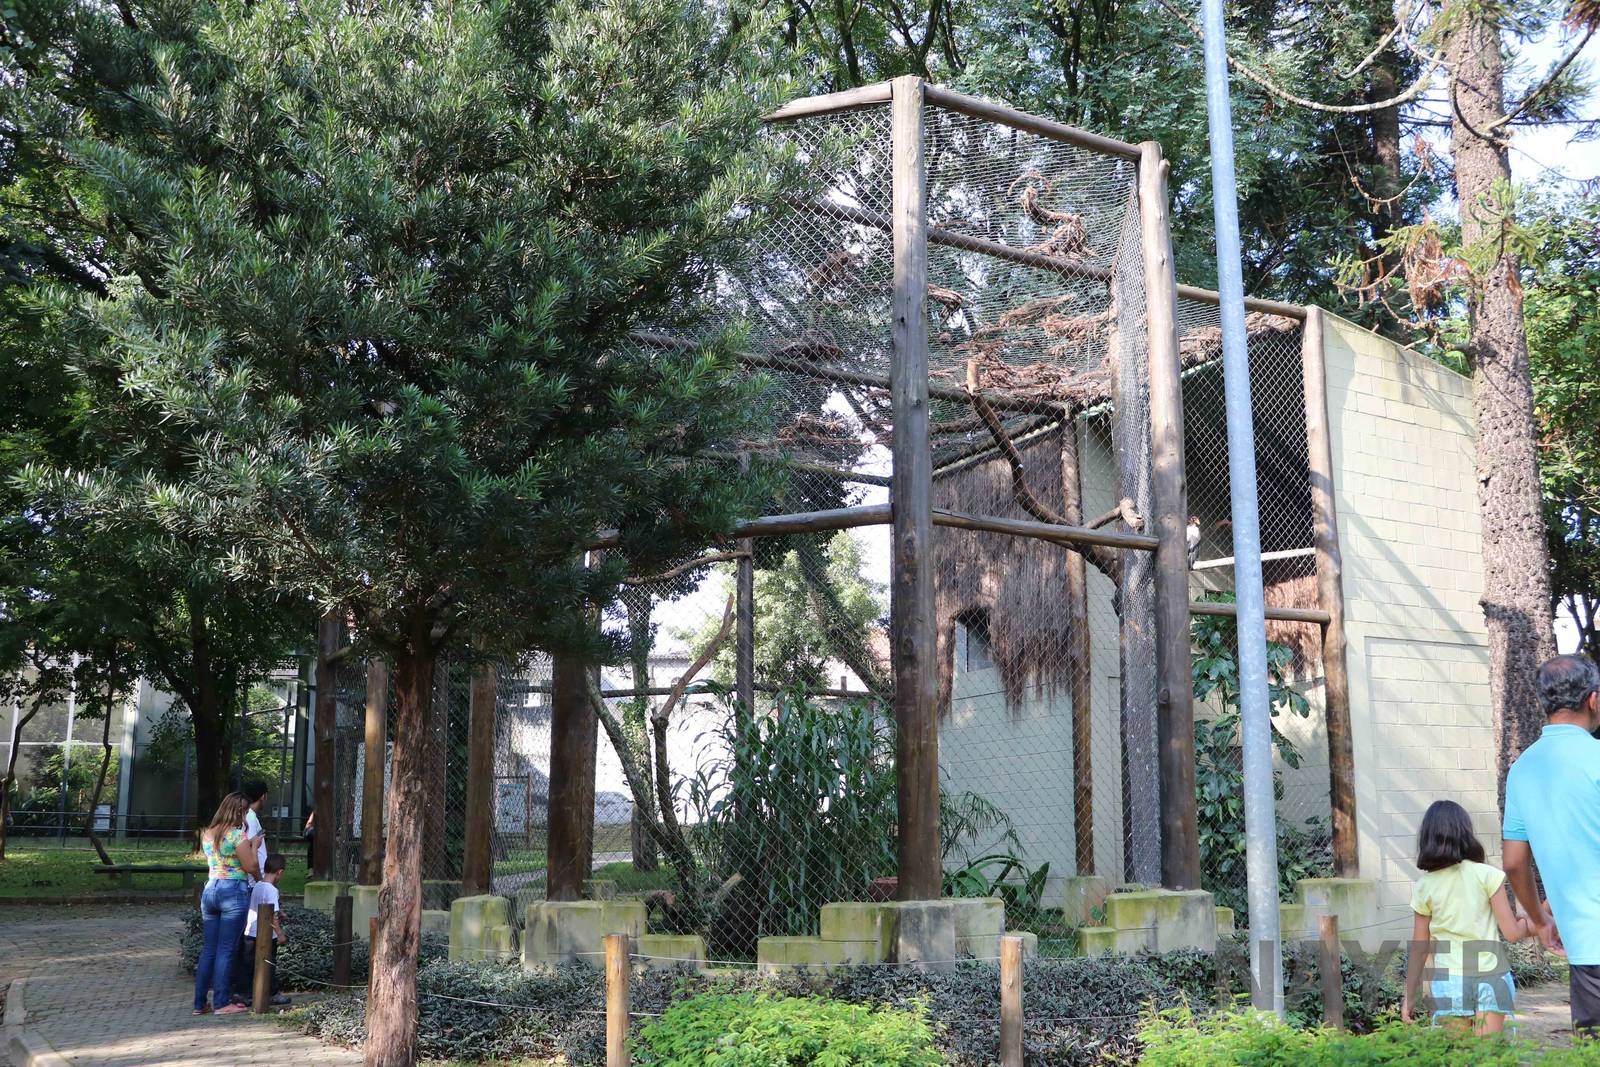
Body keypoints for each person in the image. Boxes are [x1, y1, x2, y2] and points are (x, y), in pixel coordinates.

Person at [1503, 653, 1600, 1033]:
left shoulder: (1522, 770)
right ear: (1593, 699)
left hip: (1586, 953)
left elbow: (1513, 863)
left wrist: (1541, 919)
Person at [1401, 799, 1531, 1032]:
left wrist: (1408, 998)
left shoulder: (1424, 887)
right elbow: (1512, 934)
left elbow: (1420, 950)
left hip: (1450, 982)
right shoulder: (1487, 875)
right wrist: (1527, 923)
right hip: (1492, 977)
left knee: (1459, 1057)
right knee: (1489, 1058)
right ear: (1466, 834)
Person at [193, 793, 261, 1016]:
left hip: (210, 889)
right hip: (232, 891)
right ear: (238, 812)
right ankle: (221, 1002)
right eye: (243, 812)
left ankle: (200, 1003)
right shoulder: (236, 835)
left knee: (209, 949)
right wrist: (254, 845)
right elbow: (250, 866)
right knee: (226, 949)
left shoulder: (208, 833)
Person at [231, 854, 290, 1008]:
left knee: (247, 964)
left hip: (250, 931)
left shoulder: (258, 885)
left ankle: (243, 993)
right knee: (270, 963)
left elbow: (264, 906)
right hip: (266, 935)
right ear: (280, 873)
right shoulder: (272, 890)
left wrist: (280, 911)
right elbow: (273, 916)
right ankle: (271, 993)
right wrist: (280, 934)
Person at [241, 780, 270, 881]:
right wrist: (259, 879)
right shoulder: (250, 817)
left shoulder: (250, 815)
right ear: (263, 796)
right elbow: (249, 845)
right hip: (254, 879)